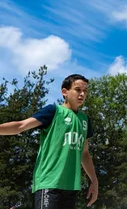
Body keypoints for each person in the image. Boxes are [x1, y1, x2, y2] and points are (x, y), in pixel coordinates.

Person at [0, 74, 98, 209]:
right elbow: (20, 126)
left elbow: (85, 153)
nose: (82, 94)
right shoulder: (54, 111)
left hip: (71, 186)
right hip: (48, 183)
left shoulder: (85, 120)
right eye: (77, 90)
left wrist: (94, 180)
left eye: (85, 91)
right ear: (65, 92)